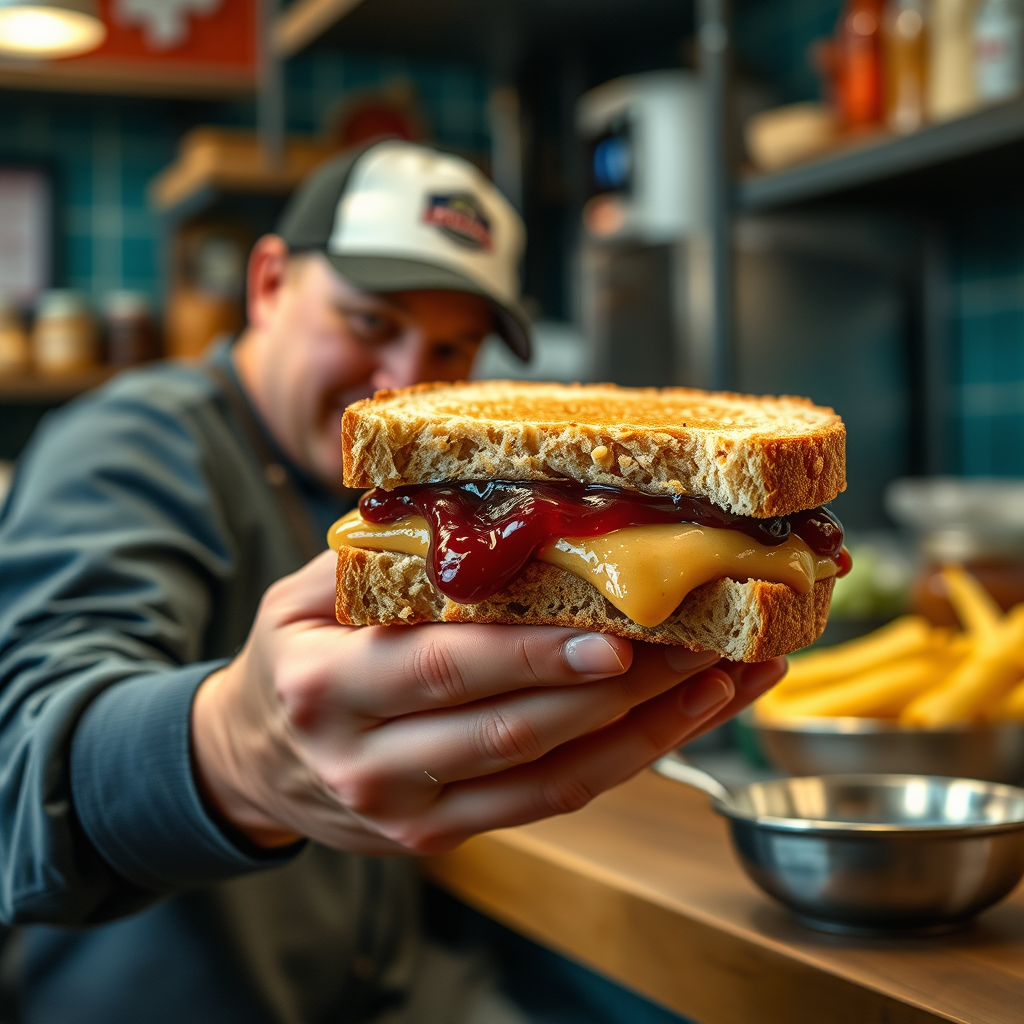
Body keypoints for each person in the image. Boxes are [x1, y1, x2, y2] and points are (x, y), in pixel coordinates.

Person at [0, 139, 785, 1023]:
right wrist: (229, 753)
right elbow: (18, 773)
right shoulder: (131, 445)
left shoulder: (436, 502)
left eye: (454, 347)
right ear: (267, 286)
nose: (405, 381)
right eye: (370, 322)